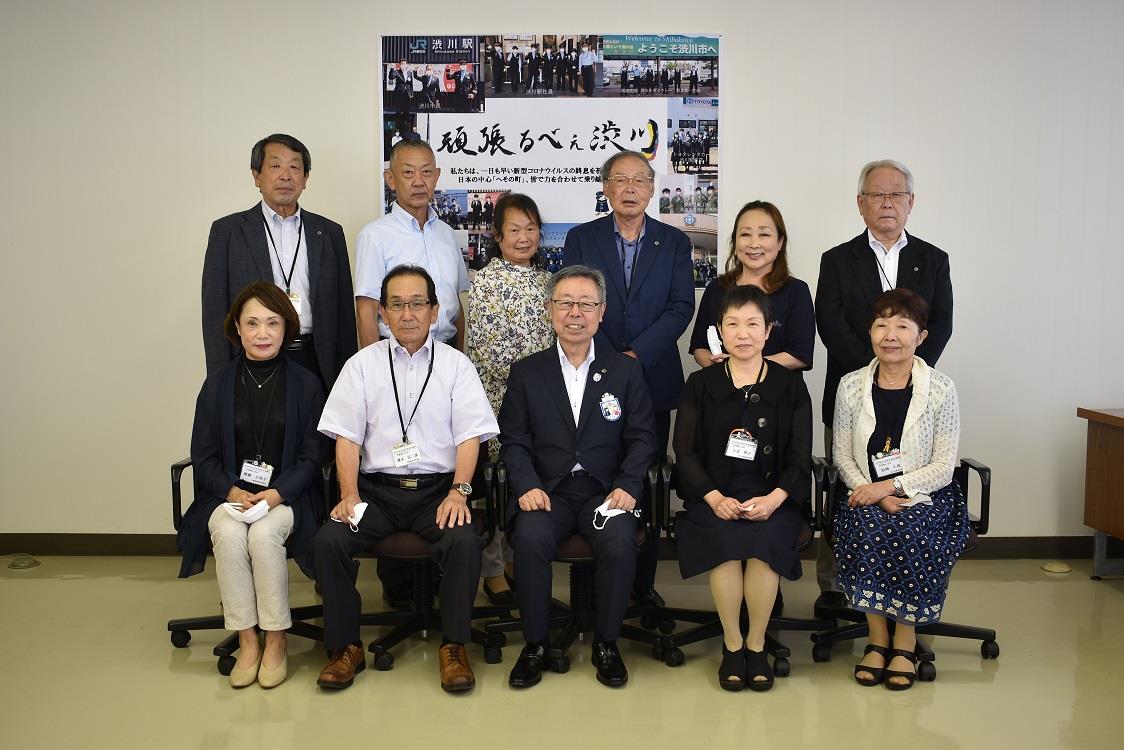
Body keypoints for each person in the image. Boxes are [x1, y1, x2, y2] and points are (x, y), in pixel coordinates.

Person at [312, 265, 499, 692]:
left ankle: (454, 646)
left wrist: (460, 492)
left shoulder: (456, 366)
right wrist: (348, 494)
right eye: (396, 304)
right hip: (376, 493)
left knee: (465, 539)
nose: (407, 313)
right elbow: (346, 437)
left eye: (417, 303)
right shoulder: (361, 366)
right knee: (330, 540)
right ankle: (345, 648)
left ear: (435, 312)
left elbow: (471, 437)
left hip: (438, 492)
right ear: (382, 312)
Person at [499, 265, 656, 689]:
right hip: (547, 491)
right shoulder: (527, 372)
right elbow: (514, 440)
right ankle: (534, 644)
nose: (575, 313)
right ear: (550, 309)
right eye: (565, 302)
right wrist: (526, 484)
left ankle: (607, 642)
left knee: (621, 541)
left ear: (601, 312)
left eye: (585, 304)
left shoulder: (623, 371)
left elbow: (642, 438)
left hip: (606, 491)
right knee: (529, 540)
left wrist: (627, 485)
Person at [814, 159, 954, 611]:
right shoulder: (836, 260)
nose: (887, 203)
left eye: (896, 195)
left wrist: (905, 375)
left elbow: (942, 325)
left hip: (915, 401)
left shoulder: (933, 260)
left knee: (909, 505)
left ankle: (908, 599)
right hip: (852, 398)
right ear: (861, 204)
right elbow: (830, 324)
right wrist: (872, 379)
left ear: (911, 203)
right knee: (846, 491)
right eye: (877, 195)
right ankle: (837, 590)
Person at [179, 282, 330, 689]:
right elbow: (204, 455)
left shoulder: (307, 384)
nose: (262, 333)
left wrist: (277, 493)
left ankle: (276, 639)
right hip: (228, 495)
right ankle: (248, 640)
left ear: (287, 329)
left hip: (287, 495)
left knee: (263, 536)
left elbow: (314, 454)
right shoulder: (217, 385)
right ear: (237, 330)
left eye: (272, 323)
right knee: (228, 533)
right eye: (252, 323)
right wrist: (231, 491)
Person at [563, 150, 695, 608]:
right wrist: (609, 359)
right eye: (620, 179)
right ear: (606, 188)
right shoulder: (582, 239)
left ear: (652, 188)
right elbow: (576, 302)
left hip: (652, 376)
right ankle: (598, 581)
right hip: (589, 375)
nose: (630, 188)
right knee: (594, 472)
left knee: (646, 476)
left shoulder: (673, 243)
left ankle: (642, 583)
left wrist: (635, 356)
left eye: (639, 179)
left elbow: (681, 307)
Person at [673, 284, 811, 691]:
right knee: (726, 544)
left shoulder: (789, 385)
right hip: (715, 493)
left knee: (766, 545)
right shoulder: (701, 384)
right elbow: (684, 451)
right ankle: (732, 645)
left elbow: (801, 455)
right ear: (719, 330)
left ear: (769, 331)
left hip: (773, 494)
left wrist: (775, 498)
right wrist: (714, 498)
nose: (743, 333)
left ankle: (756, 646)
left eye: (753, 324)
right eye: (732, 324)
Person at [831, 288, 968, 690]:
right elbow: (841, 455)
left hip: (928, 494)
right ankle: (876, 640)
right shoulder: (850, 386)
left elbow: (945, 465)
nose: (890, 335)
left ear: (921, 336)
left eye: (902, 326)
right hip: (863, 491)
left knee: (912, 531)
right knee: (868, 525)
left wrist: (891, 487)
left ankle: (905, 641)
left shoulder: (942, 389)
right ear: (870, 332)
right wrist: (870, 491)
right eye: (881, 325)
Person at [202, 134, 357, 390]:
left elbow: (343, 315)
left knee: (315, 431)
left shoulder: (329, 232)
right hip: (252, 359)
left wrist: (349, 378)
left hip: (317, 360)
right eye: (275, 166)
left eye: (295, 167)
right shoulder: (227, 232)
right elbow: (215, 314)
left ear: (305, 179)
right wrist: (220, 382)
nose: (286, 175)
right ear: (256, 176)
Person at [465, 193, 555, 608]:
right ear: (497, 236)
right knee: (495, 487)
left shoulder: (550, 281)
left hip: (545, 403)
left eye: (531, 228)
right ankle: (492, 569)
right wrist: (528, 387)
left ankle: (520, 562)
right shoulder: (483, 282)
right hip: (497, 400)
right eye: (514, 229)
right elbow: (484, 349)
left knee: (530, 483)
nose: (524, 237)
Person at [355, 139, 469, 351]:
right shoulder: (374, 236)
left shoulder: (447, 234)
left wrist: (460, 357)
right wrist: (374, 369)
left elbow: (456, 305)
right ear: (391, 179)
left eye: (426, 172)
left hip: (447, 352)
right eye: (408, 173)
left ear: (436, 177)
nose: (418, 182)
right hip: (397, 353)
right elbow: (366, 311)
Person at [689, 201, 814, 372]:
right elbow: (699, 347)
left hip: (780, 392)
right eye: (745, 234)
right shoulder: (716, 289)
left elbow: (800, 355)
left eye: (764, 235)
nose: (754, 244)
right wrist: (723, 371)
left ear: (780, 242)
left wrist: (744, 367)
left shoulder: (796, 291)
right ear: (735, 242)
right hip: (723, 392)